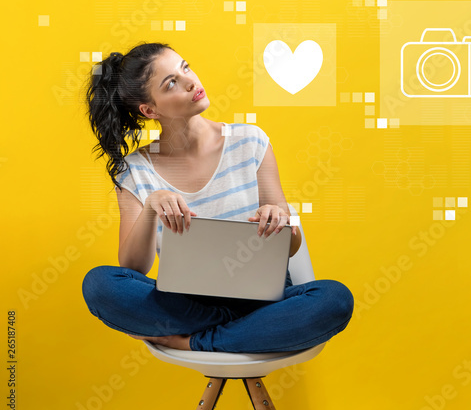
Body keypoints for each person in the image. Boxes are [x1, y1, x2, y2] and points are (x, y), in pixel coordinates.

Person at [81, 42, 353, 353]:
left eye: (185, 67)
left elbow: (291, 247)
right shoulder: (134, 171)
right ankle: (239, 334)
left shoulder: (251, 141)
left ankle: (195, 341)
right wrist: (152, 206)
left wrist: (281, 220)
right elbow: (131, 268)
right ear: (150, 110)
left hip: (265, 302)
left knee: (334, 298)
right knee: (99, 284)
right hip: (188, 305)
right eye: (171, 83)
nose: (190, 81)